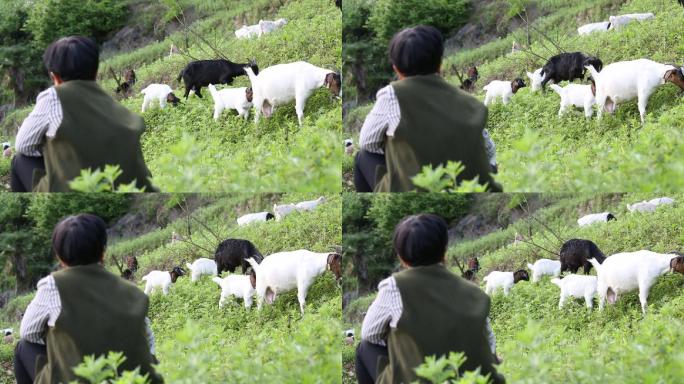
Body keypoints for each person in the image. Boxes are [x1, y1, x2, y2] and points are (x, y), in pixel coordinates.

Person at [13, 214, 163, 384]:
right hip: (138, 379)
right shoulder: (131, 290)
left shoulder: (53, 285)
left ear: (60, 257)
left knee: (23, 347)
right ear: (103, 251)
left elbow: (28, 332)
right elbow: (147, 338)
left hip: (80, 378)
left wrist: (62, 344)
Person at [355, 214, 505, 384]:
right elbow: (489, 340)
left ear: (401, 258)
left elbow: (369, 334)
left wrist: (403, 345)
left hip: (423, 378)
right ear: (445, 250)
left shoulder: (394, 287)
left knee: (364, 348)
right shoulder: (474, 291)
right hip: (478, 379)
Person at [354, 25, 501, 192]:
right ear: (440, 64)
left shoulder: (392, 95)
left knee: (363, 156)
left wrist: (401, 152)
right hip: (478, 186)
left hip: (419, 187)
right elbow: (489, 150)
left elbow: (366, 142)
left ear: (396, 69)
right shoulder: (469, 101)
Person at [11, 36, 155, 192]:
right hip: (135, 185)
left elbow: (22, 144)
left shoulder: (54, 96)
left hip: (79, 187)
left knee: (19, 160)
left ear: (54, 77)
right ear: (95, 72)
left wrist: (53, 151)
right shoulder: (105, 98)